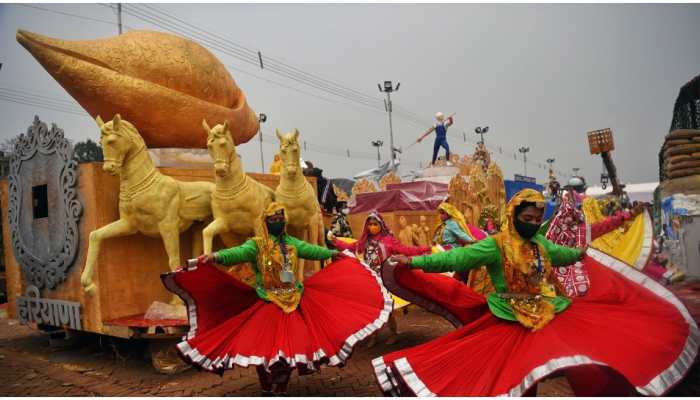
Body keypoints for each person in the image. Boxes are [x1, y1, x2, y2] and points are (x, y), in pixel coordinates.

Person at [375, 189, 697, 396]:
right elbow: (454, 258)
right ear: (514, 215)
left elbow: (565, 254)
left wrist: (583, 253)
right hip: (509, 322)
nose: (532, 223)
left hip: (548, 314)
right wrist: (414, 260)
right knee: (513, 381)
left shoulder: (541, 243)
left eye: (536, 219)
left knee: (582, 364)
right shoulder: (495, 244)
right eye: (527, 218)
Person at [162, 203, 392, 396]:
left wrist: (334, 253)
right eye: (273, 218)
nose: (278, 221)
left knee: (293, 349)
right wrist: (214, 256)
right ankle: (266, 386)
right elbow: (236, 253)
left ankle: (280, 387)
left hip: (296, 301)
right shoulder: (256, 245)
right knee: (263, 350)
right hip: (267, 301)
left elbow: (313, 251)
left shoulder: (292, 242)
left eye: (280, 218)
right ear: (265, 221)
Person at [328, 211, 430, 346]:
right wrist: (336, 241)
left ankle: (393, 333)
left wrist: (424, 249)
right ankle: (373, 336)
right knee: (371, 310)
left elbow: (405, 250)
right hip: (370, 280)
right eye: (370, 224)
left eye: (375, 224)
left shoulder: (389, 240)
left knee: (388, 310)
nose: (372, 227)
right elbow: (351, 247)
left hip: (385, 280)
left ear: (381, 225)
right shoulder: (365, 241)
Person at [545, 190, 646, 297]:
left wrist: (630, 214)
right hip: (570, 286)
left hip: (567, 287)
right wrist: (630, 214)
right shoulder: (553, 233)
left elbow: (607, 224)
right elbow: (607, 225)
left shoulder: (550, 232)